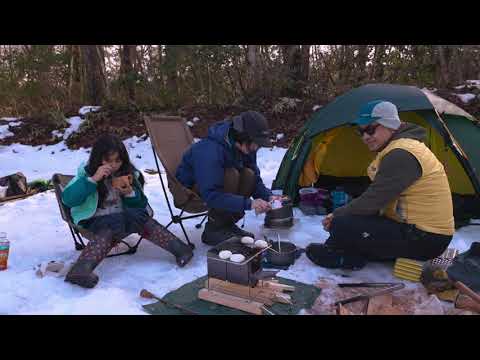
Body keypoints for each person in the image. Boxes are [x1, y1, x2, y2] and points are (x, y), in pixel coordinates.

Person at [306, 100, 454, 270]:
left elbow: (373, 201)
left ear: (390, 125)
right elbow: (378, 197)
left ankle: (340, 255)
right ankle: (355, 253)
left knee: (343, 223)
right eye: (360, 132)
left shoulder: (401, 153)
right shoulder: (404, 146)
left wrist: (336, 215)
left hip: (425, 239)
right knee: (355, 217)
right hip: (422, 232)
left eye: (370, 129)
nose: (365, 137)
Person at [62, 134, 193, 289]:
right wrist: (93, 180)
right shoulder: (86, 174)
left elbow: (142, 204)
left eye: (118, 160)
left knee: (137, 215)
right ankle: (80, 269)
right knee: (113, 222)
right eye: (108, 160)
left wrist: (130, 193)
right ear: (98, 159)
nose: (113, 165)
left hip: (122, 219)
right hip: (94, 220)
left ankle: (180, 249)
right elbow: (68, 199)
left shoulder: (129, 174)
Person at [176, 111, 280, 246]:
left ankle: (226, 224)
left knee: (248, 174)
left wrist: (268, 197)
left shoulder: (245, 147)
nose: (256, 148)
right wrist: (249, 204)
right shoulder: (210, 150)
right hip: (190, 190)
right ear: (242, 136)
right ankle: (213, 230)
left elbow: (254, 179)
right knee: (232, 174)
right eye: (255, 143)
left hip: (216, 186)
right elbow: (211, 194)